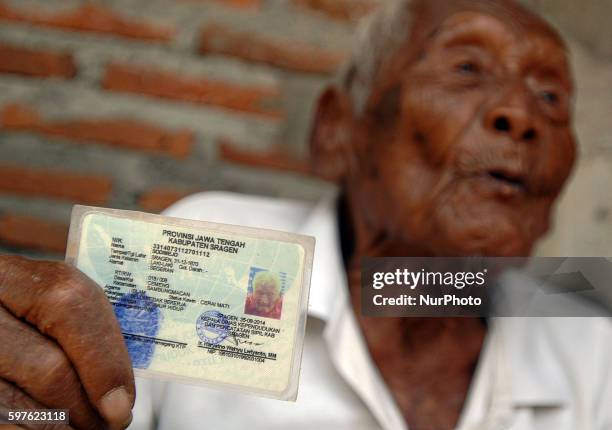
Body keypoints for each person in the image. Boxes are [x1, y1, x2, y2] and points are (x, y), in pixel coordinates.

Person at [0, 0, 610, 429]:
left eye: (551, 96)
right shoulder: (205, 249)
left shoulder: (591, 350)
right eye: (467, 67)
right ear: (338, 131)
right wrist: (31, 410)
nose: (521, 116)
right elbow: (55, 414)